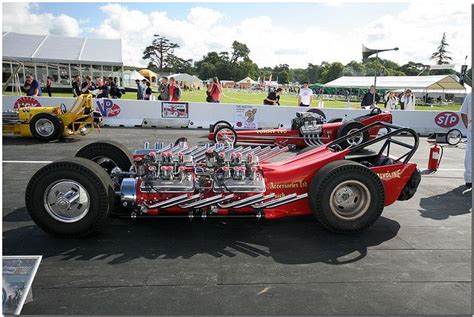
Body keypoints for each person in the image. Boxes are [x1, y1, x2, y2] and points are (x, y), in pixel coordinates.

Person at [460, 93, 471, 188]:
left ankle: (469, 178)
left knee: (470, 152)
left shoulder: (470, 95)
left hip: (471, 125)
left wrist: (467, 126)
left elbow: (463, 113)